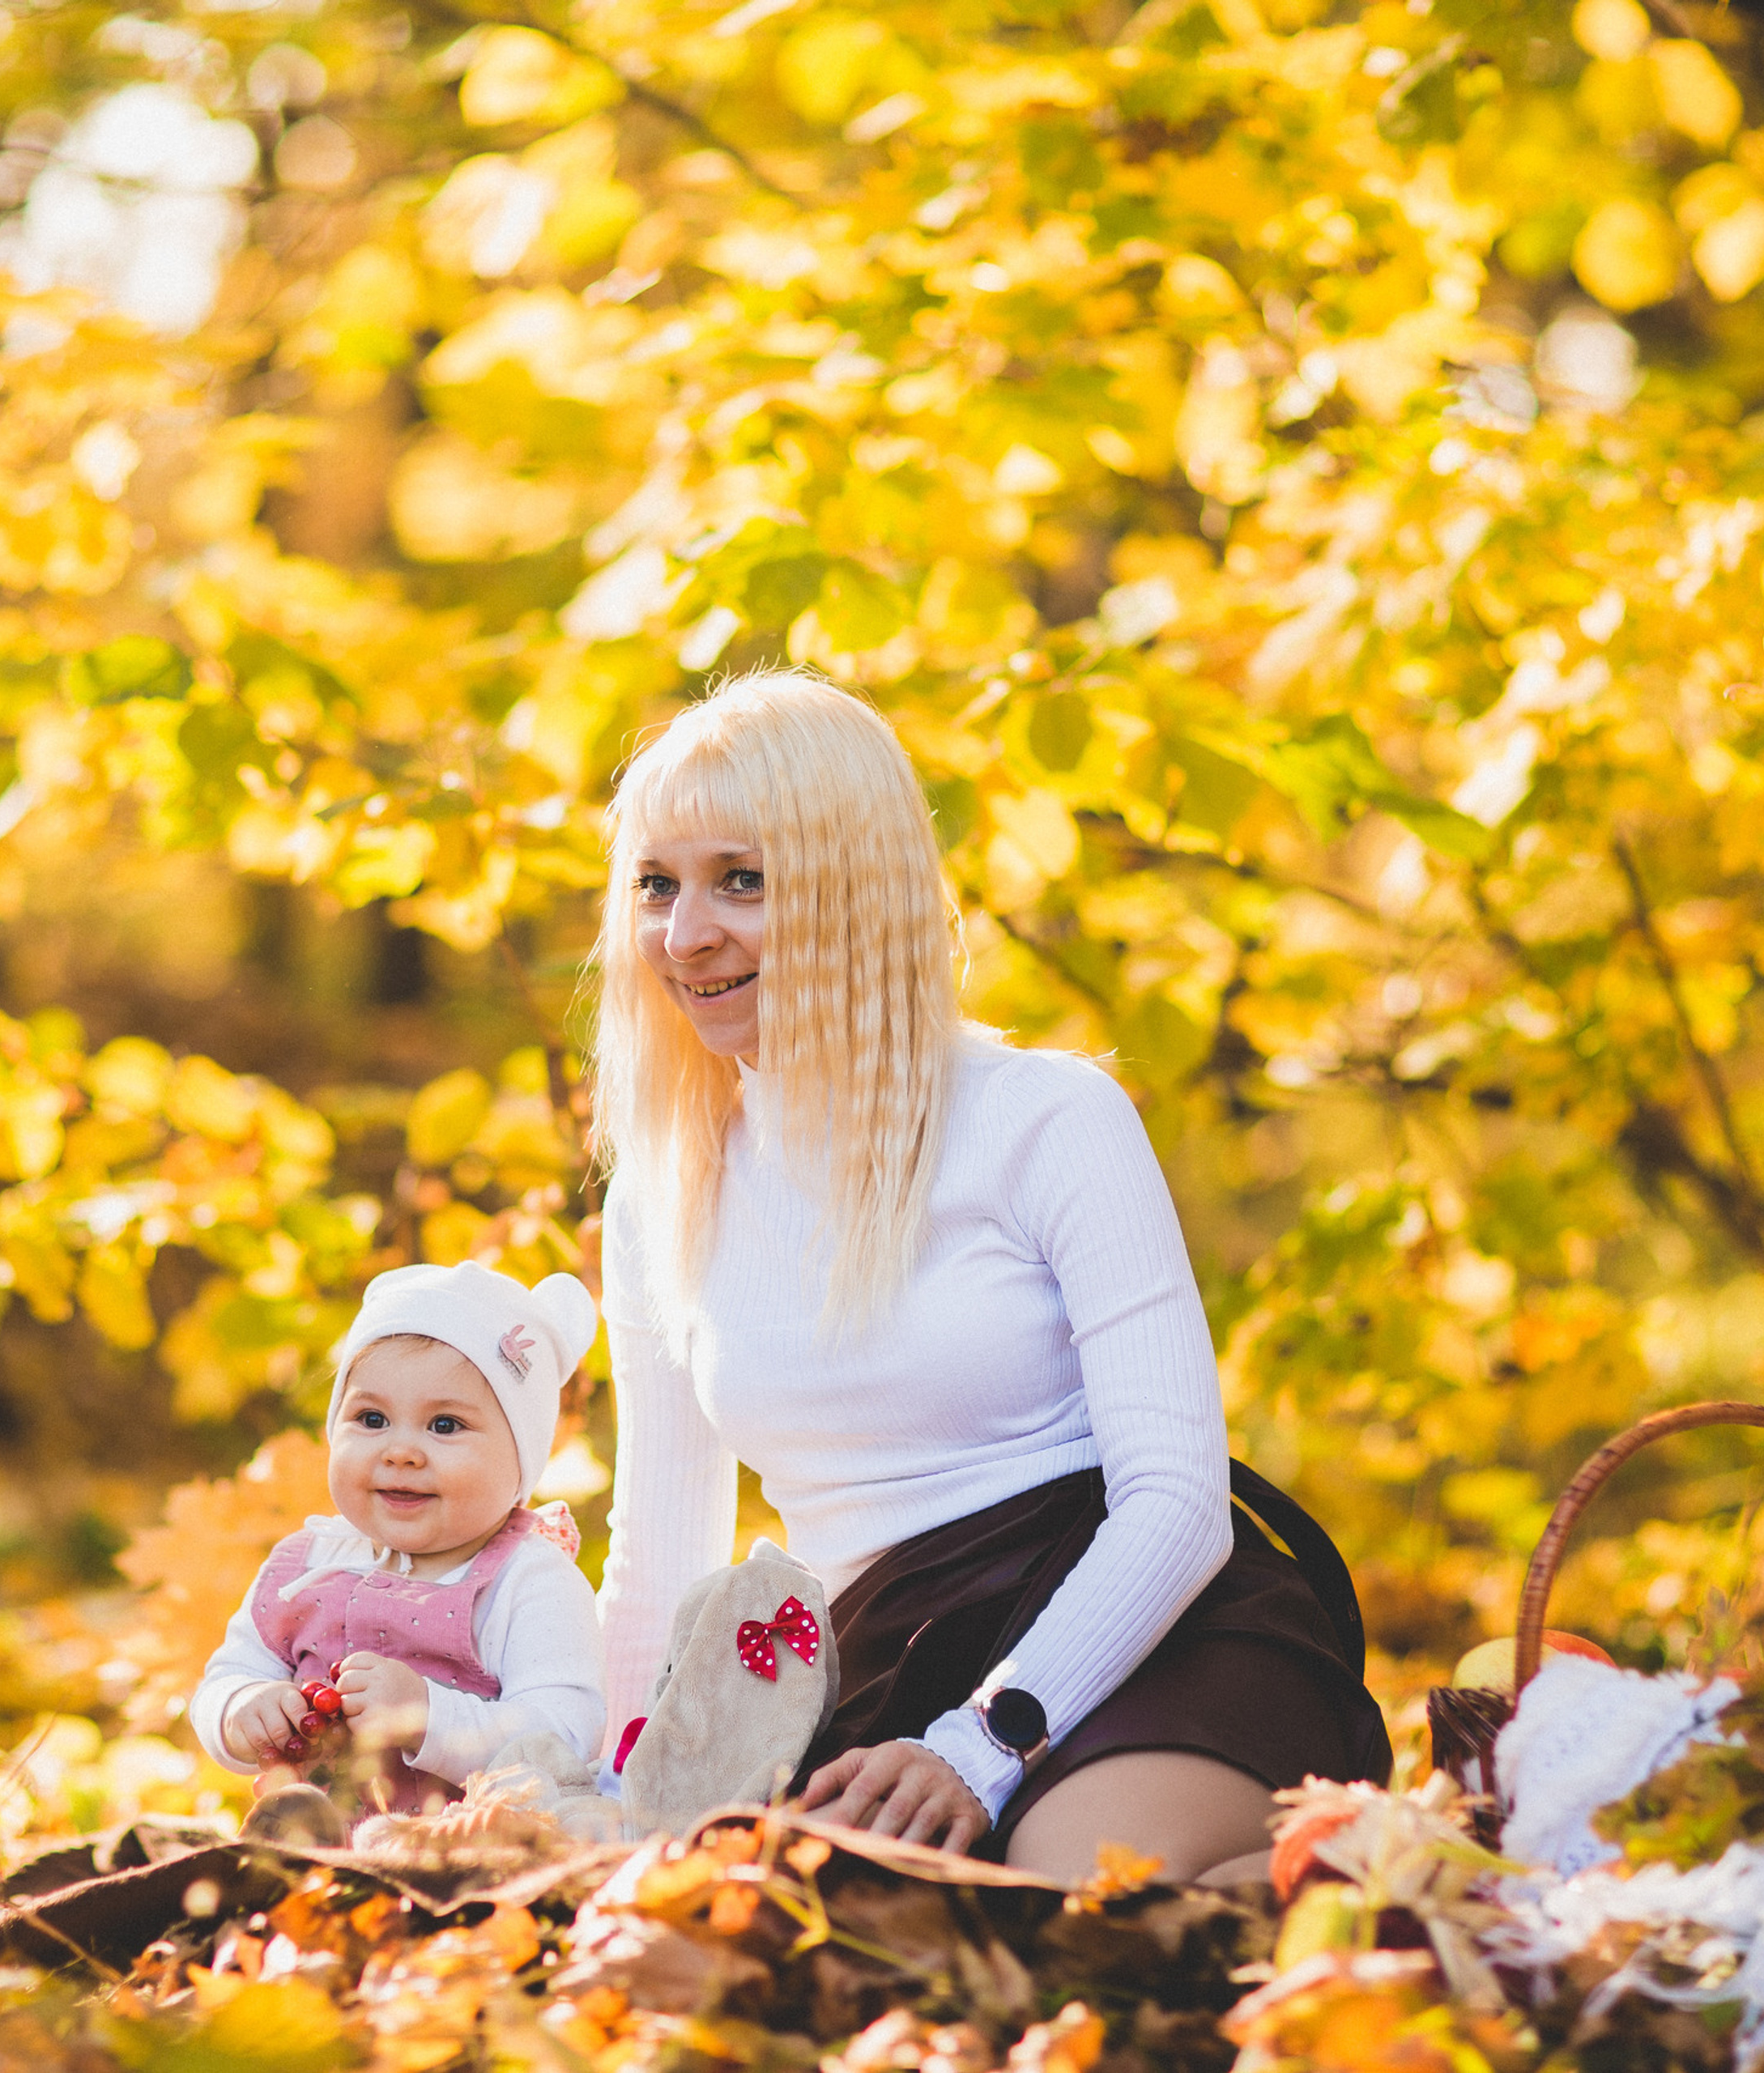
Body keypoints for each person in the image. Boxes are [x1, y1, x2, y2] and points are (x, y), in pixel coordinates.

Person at [590, 667, 1389, 1881]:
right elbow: (662, 1561)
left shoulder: (1046, 1119)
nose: (686, 934)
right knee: (806, 1940)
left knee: (1059, 1907)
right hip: (868, 1669)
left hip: (1131, 1633)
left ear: (853, 887)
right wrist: (610, 1795)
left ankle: (1344, 1895)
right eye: (658, 885)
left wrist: (984, 1741)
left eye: (741, 880)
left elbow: (1175, 1506)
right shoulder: (662, 1189)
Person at [191, 1262, 607, 1824]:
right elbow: (228, 1674)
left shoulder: (528, 1580)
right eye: (371, 1418)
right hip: (320, 1850)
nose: (401, 1451)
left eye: (444, 1426)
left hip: (467, 1847)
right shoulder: (307, 1564)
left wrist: (427, 1714)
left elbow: (566, 1733)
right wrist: (242, 1709)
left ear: (521, 1462)